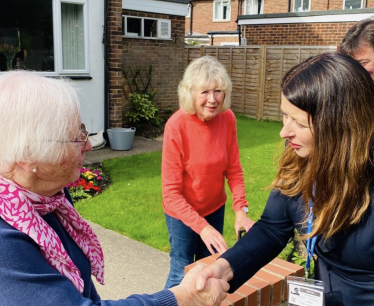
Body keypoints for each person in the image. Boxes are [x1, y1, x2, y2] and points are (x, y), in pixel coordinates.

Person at [0, 70, 229, 306]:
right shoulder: (5, 245)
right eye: (76, 138)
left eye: (83, 130)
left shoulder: (49, 196)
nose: (88, 144)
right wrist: (184, 297)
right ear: (27, 155)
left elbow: (84, 291)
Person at [195, 51, 374, 305]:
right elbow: (272, 228)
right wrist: (224, 268)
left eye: (300, 123)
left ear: (342, 127)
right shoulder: (300, 161)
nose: (283, 132)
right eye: (285, 115)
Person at [161, 55, 254, 289]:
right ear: (190, 93)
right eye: (204, 92)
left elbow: (233, 169)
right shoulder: (176, 125)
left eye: (218, 91)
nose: (212, 100)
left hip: (214, 208)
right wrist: (203, 228)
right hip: (182, 213)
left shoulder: (227, 118)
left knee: (208, 268)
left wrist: (241, 210)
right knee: (181, 272)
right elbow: (171, 194)